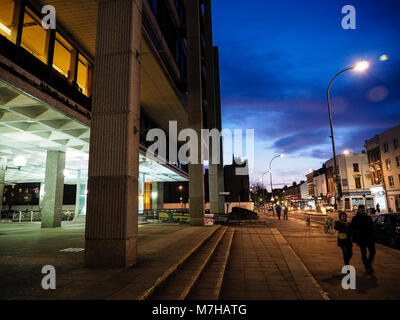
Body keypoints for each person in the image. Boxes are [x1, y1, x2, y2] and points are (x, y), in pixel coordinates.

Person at [350, 204, 376, 275]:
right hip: (361, 239)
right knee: (364, 253)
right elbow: (353, 229)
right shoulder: (355, 218)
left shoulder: (368, 217)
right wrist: (354, 238)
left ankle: (368, 264)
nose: (362, 211)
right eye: (361, 210)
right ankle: (367, 267)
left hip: (369, 238)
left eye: (363, 210)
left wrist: (373, 236)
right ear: (358, 210)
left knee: (373, 252)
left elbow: (372, 227)